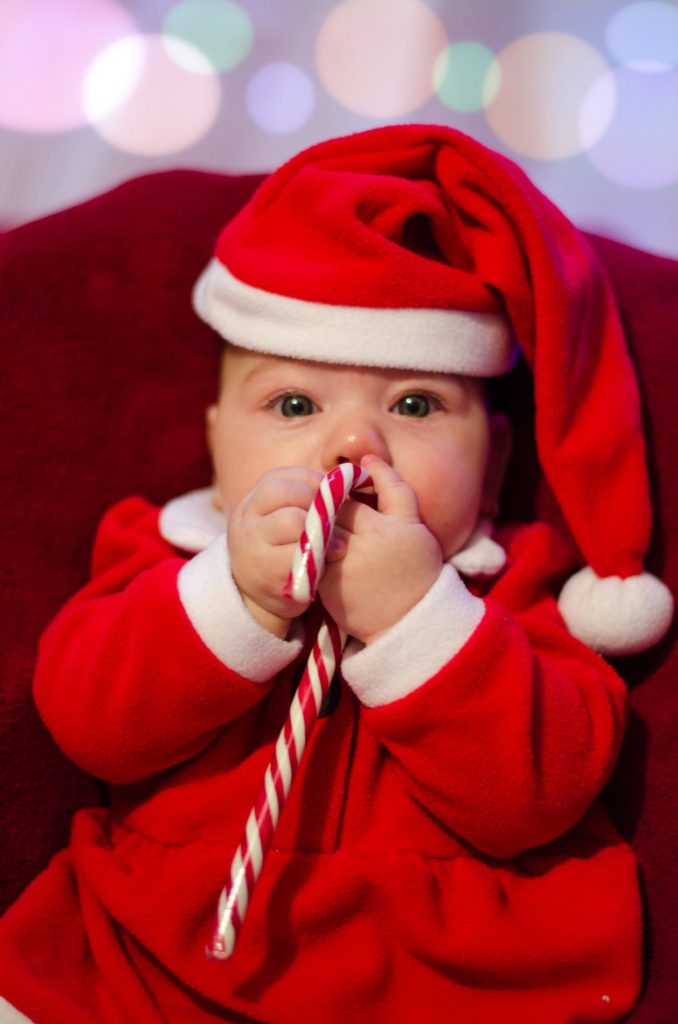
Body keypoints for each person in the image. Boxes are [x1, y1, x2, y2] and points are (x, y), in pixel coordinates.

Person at [0, 124, 672, 1024]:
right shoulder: (169, 554)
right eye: (293, 404)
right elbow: (91, 724)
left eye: (414, 403)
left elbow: (536, 798)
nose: (354, 442)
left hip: (459, 977)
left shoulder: (512, 589)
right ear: (212, 441)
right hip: (160, 950)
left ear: (497, 457)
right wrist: (234, 599)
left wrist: (414, 619)